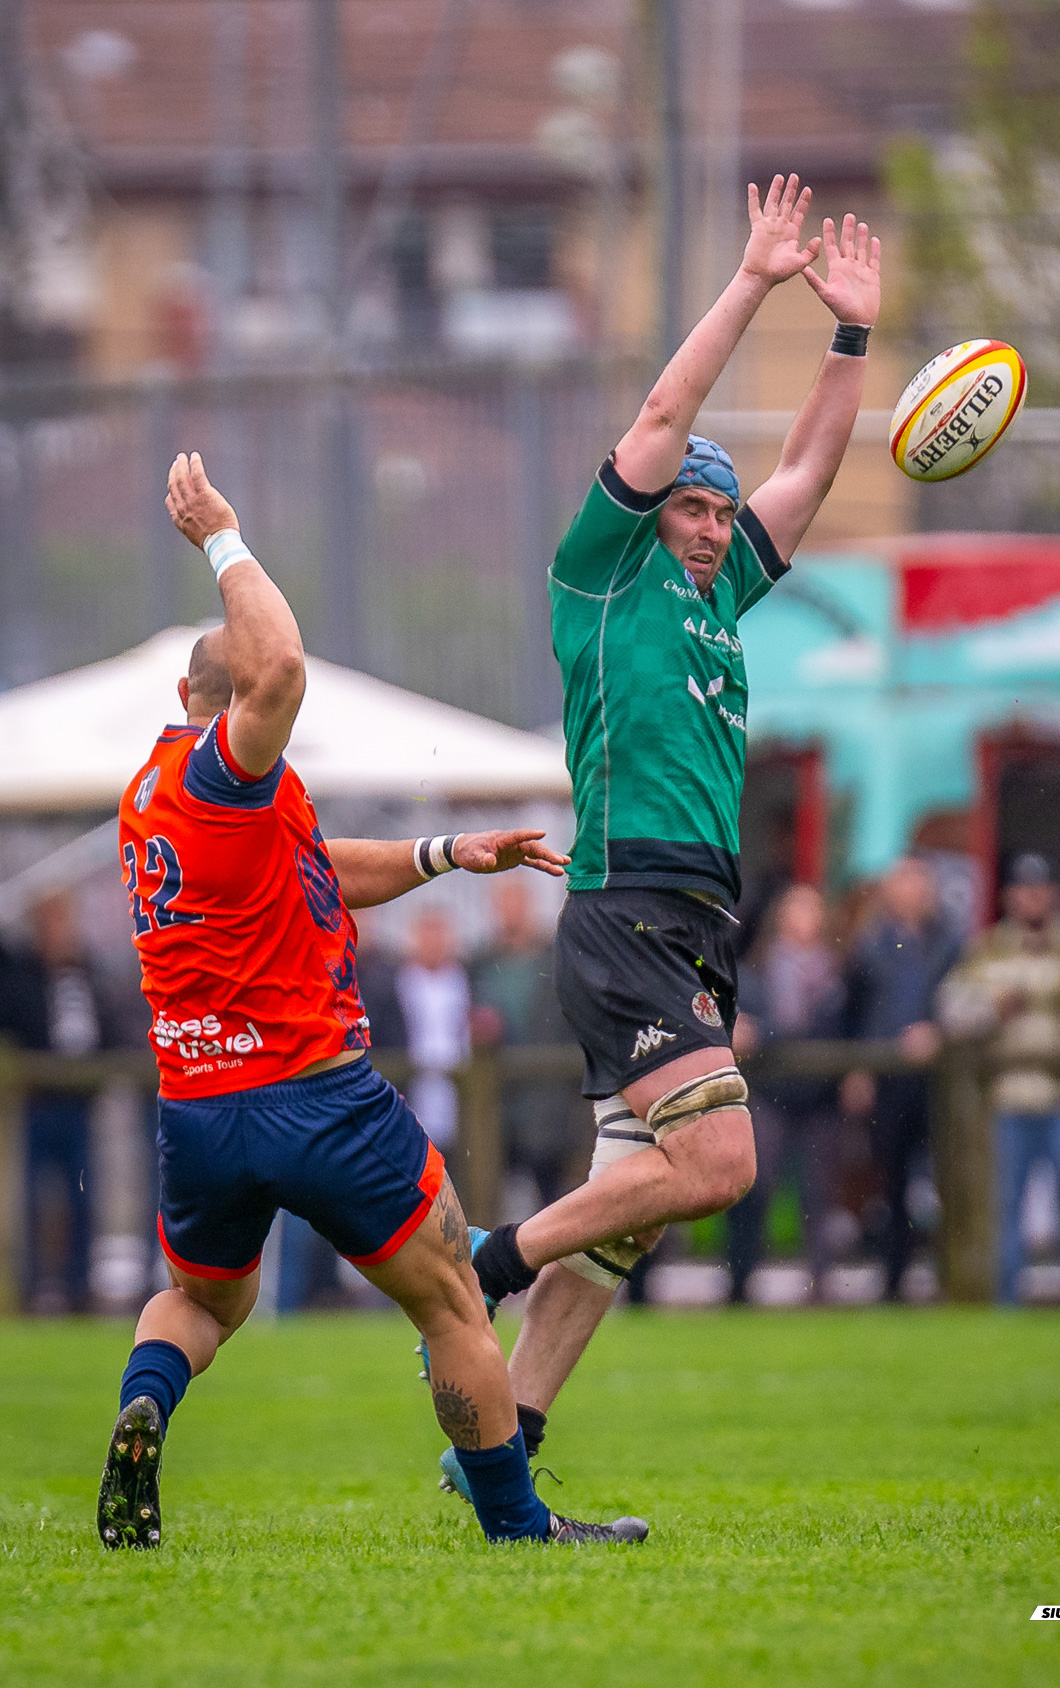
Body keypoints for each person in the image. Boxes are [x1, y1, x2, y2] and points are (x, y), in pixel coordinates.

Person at [97, 450, 647, 1552]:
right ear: (231, 712)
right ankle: (517, 1526)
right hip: (315, 1096)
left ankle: (146, 1403)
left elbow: (316, 869)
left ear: (179, 700)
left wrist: (447, 852)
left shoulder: (156, 798)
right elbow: (284, 666)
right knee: (449, 1297)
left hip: (202, 1109)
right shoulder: (228, 771)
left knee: (201, 1306)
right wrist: (223, 534)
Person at [451, 175, 882, 1484]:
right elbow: (658, 415)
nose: (707, 526)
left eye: (713, 510)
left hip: (697, 921)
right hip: (622, 903)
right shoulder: (600, 576)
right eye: (689, 508)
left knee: (624, 1226)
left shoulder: (715, 592)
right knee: (721, 1159)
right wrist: (752, 282)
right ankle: (479, 1267)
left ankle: (500, 1458)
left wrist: (850, 336)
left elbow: (806, 468)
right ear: (647, 515)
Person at [936, 852, 1060, 1307]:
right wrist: (991, 1010)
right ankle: (1006, 1301)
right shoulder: (987, 949)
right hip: (1009, 1094)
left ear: (1054, 894)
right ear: (1010, 896)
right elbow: (951, 1013)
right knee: (1004, 1208)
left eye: (1041, 888)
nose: (1033, 897)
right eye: (1024, 888)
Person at [840, 857, 960, 1301]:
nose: (912, 892)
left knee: (948, 1180)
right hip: (887, 1079)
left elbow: (966, 1003)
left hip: (941, 1082)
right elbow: (853, 1014)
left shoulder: (951, 943)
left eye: (919, 883)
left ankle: (952, 1279)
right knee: (890, 1182)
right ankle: (893, 1282)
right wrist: (858, 1066)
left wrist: (939, 1031)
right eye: (903, 883)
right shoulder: (869, 945)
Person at [0, 892, 123, 1313]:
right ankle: (34, 1287)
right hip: (37, 1100)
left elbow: (107, 1023)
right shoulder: (22, 974)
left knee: (83, 1195)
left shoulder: (87, 970)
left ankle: (78, 1286)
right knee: (35, 1196)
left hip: (79, 1101)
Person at [727, 884, 846, 1303]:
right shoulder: (753, 970)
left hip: (820, 1097)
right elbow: (736, 1025)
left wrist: (769, 1035)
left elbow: (837, 1031)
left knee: (819, 1194)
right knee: (752, 1190)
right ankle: (740, 1284)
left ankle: (821, 1286)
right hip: (768, 1093)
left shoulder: (838, 972)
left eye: (812, 911)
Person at [470, 875, 587, 1211]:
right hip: (496, 1102)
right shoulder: (479, 963)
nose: (510, 912)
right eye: (503, 904)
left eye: (516, 902)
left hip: (550, 1100)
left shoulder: (556, 960)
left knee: (553, 1197)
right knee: (490, 1196)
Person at [395, 906, 471, 1157]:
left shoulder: (466, 979)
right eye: (427, 933)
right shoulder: (399, 982)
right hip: (412, 1092)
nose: (433, 942)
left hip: (460, 1093)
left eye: (439, 933)